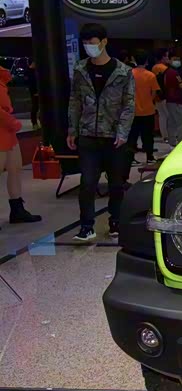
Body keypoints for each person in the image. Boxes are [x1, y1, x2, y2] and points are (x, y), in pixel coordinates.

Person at [67, 23, 135, 241]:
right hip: (88, 135)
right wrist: (72, 129)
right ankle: (86, 226)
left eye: (92, 42)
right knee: (87, 182)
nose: (89, 46)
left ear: (104, 42)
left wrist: (122, 132)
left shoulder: (123, 72)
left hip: (114, 137)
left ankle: (115, 221)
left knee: (116, 184)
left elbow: (129, 104)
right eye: (85, 43)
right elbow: (75, 101)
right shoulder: (80, 69)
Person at [0, 65, 41, 226]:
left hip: (8, 130)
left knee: (15, 168)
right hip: (3, 128)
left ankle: (17, 209)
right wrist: (11, 122)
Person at [125, 49, 160, 174]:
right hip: (148, 110)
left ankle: (131, 158)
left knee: (132, 137)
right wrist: (148, 100)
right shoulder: (150, 75)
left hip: (132, 111)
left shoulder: (129, 74)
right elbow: (154, 92)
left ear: (134, 60)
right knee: (148, 136)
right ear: (146, 61)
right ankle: (149, 157)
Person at [163, 51, 182, 147]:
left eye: (178, 59)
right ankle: (181, 141)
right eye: (174, 59)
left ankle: (172, 141)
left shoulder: (167, 71)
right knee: (180, 122)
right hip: (176, 100)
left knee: (172, 122)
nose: (177, 61)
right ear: (169, 60)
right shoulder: (173, 72)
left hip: (170, 99)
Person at [152, 49, 170, 144]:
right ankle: (168, 135)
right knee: (167, 116)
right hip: (164, 95)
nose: (168, 58)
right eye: (166, 56)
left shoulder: (154, 67)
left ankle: (164, 136)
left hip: (157, 94)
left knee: (162, 116)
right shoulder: (164, 68)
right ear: (162, 57)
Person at [26, 60, 39, 130]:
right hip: (34, 92)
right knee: (35, 107)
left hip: (39, 91)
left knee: (39, 107)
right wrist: (34, 92)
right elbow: (30, 83)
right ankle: (34, 123)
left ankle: (38, 122)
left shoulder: (36, 71)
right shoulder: (29, 72)